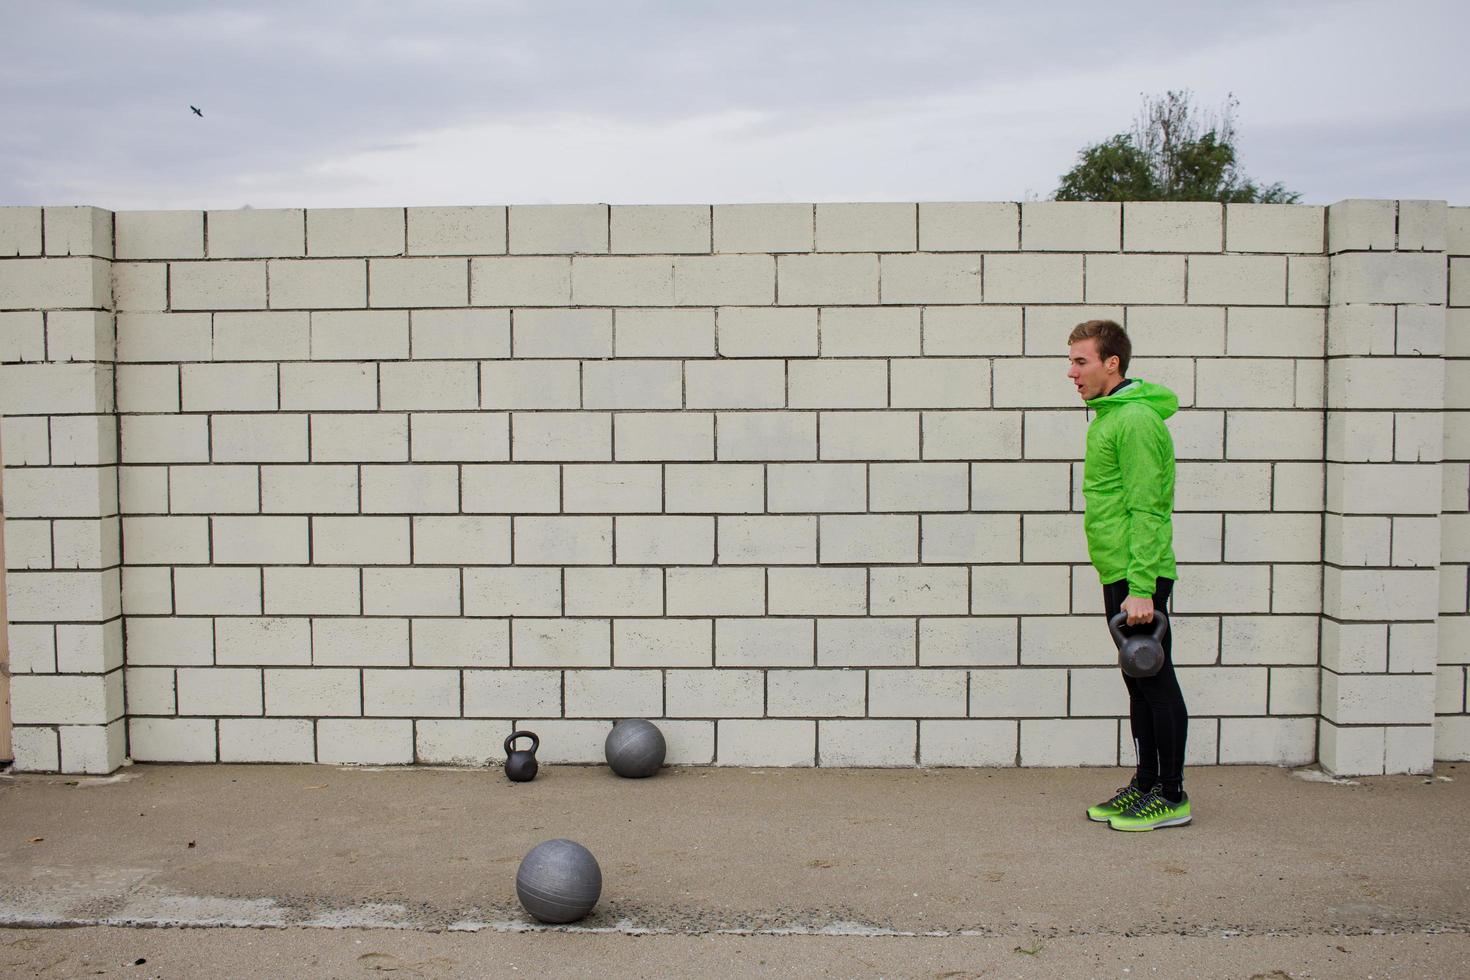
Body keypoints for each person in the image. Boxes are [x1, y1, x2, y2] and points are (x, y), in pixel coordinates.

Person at [1066, 319, 1191, 832]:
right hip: (1120, 568)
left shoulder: (1135, 420)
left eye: (1081, 361)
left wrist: (1141, 588)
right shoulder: (1108, 416)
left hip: (1140, 574)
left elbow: (1149, 508)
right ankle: (1145, 785)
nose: (1070, 372)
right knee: (1137, 681)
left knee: (1155, 681)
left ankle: (1171, 794)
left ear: (1111, 363)